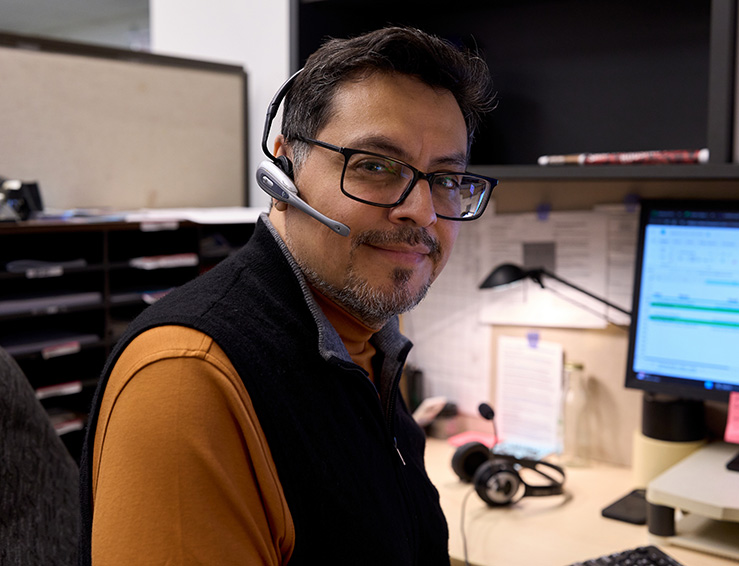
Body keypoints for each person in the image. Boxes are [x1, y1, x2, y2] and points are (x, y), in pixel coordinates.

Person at [79, 26, 497, 565]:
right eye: (374, 166)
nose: (420, 209)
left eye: (445, 178)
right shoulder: (188, 379)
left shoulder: (368, 347)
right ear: (285, 166)